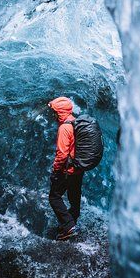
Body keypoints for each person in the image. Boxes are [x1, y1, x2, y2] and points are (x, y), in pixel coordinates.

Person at [47, 96, 83, 241]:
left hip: (67, 170)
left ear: (60, 111)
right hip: (79, 168)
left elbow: (62, 154)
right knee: (74, 197)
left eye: (54, 111)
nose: (53, 114)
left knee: (54, 197)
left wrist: (56, 170)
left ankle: (69, 227)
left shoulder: (64, 128)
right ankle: (72, 222)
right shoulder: (76, 122)